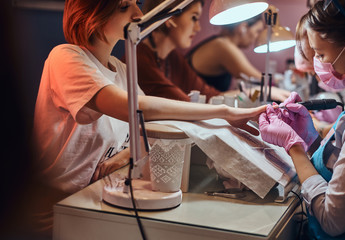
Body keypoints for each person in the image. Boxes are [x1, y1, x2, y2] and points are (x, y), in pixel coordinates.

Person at [32, 0, 266, 237]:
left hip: (99, 196)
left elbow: (149, 128)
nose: (138, 15)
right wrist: (224, 113)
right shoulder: (64, 57)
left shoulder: (119, 68)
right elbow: (135, 108)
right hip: (59, 208)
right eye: (124, 7)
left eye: (137, 3)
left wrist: (127, 153)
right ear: (93, 14)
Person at [259, 0, 345, 238]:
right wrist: (310, 137)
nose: (317, 62)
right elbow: (342, 170)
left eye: (321, 53)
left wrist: (293, 146)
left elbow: (332, 219)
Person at [136, 0, 290, 103]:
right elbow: (188, 105)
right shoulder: (140, 60)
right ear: (170, 18)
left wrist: (253, 91)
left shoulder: (172, 57)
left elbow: (210, 95)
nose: (198, 28)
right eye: (194, 18)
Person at [188, 14, 264, 91]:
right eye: (257, 31)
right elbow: (260, 80)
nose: (257, 37)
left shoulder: (221, 42)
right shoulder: (223, 46)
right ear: (242, 27)